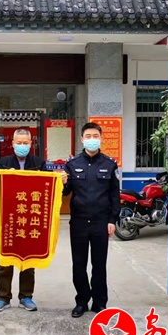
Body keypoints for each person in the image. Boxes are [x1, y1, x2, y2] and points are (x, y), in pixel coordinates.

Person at [61, 122, 120, 318]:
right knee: (79, 264)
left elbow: (114, 195)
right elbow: (66, 193)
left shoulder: (109, 164)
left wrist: (112, 220)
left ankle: (99, 303)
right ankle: (81, 302)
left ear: (101, 138)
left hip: (101, 222)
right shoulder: (72, 164)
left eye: (95, 136)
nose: (92, 140)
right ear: (82, 139)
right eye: (88, 136)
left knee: (99, 264)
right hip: (78, 222)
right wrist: (63, 183)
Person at [0, 128, 47, 312]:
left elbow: (46, 186)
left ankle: (26, 296)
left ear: (31, 144)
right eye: (19, 142)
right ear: (13, 143)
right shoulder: (4, 162)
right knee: (6, 258)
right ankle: (3, 297)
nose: (22, 145)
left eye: (25, 143)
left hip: (30, 217)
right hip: (9, 217)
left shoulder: (39, 163)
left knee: (28, 259)